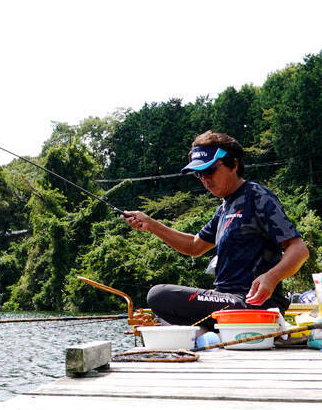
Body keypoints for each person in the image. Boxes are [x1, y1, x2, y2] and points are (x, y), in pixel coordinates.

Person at [122, 130, 309, 330]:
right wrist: (151, 224)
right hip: (226, 301)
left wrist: (271, 277)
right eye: (199, 174)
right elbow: (194, 247)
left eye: (210, 170)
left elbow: (299, 249)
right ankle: (203, 334)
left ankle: (203, 333)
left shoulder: (257, 197)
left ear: (233, 164)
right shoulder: (224, 208)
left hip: (253, 303)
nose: (205, 179)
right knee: (162, 313)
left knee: (158, 295)